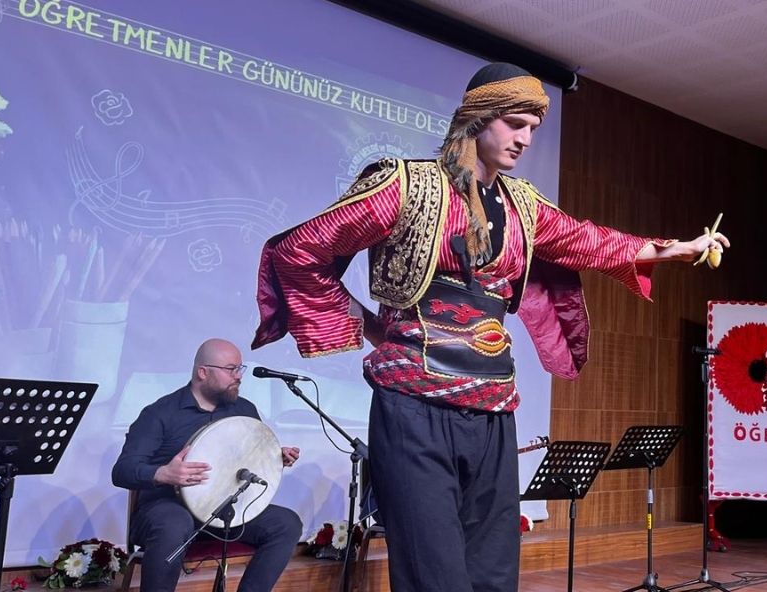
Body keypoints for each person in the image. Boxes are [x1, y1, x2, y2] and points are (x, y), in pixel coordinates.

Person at [251, 62, 728, 592]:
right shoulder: (405, 185)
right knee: (436, 574)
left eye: (533, 129)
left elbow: (590, 241)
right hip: (414, 405)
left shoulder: (523, 205)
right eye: (514, 123)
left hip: (494, 408)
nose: (525, 139)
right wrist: (367, 326)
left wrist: (673, 250)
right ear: (477, 119)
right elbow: (300, 249)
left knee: (494, 572)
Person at [111, 339, 303, 592]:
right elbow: (122, 471)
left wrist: (275, 456)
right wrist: (163, 473)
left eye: (240, 369)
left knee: (286, 522)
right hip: (167, 508)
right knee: (174, 523)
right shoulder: (160, 413)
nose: (239, 376)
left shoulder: (243, 410)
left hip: (225, 510)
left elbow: (250, 457)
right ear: (203, 372)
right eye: (231, 369)